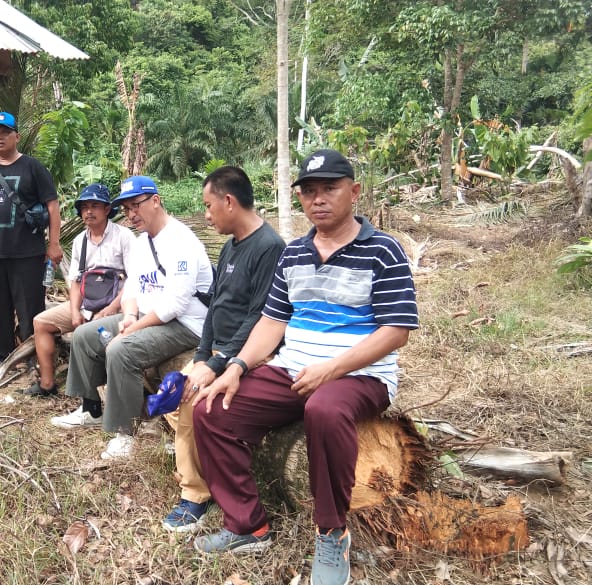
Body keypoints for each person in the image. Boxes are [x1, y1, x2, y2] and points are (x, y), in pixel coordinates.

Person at [190, 149, 419, 585]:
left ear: (353, 192)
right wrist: (237, 365)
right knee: (210, 409)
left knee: (325, 409)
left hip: (361, 376)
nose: (319, 199)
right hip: (294, 368)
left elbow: (396, 330)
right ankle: (246, 525)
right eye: (309, 191)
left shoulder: (383, 249)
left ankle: (332, 534)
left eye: (330, 188)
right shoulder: (293, 254)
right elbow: (273, 322)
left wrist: (332, 369)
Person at [51, 175, 213, 461]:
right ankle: (90, 409)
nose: (131, 214)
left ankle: (125, 432)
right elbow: (133, 288)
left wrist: (132, 328)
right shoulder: (141, 244)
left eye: (135, 206)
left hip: (186, 324)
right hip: (149, 317)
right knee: (86, 335)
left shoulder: (181, 241)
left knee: (121, 349)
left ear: (156, 200)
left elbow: (175, 305)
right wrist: (128, 316)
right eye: (126, 209)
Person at [160, 166, 285, 532]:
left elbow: (260, 317)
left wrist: (216, 363)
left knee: (190, 399)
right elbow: (216, 308)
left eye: (208, 206)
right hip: (218, 351)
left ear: (229, 201)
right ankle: (200, 457)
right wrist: (201, 355)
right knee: (173, 392)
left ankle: (194, 496)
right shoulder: (231, 246)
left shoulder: (269, 248)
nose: (206, 214)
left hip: (250, 355)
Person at [0, 112, 62, 382]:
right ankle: (2, 358)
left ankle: (34, 358)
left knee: (30, 308)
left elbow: (52, 207)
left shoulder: (33, 167)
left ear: (16, 136)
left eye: (5, 132)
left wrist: (53, 244)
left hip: (28, 252)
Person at [20, 183, 135, 397]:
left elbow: (133, 280)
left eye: (94, 206)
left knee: (97, 335)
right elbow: (75, 281)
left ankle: (100, 393)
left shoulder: (124, 237)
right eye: (84, 207)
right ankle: (47, 384)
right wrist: (74, 311)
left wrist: (110, 309)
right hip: (87, 303)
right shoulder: (79, 241)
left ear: (107, 209)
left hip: (118, 305)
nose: (88, 211)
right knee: (41, 323)